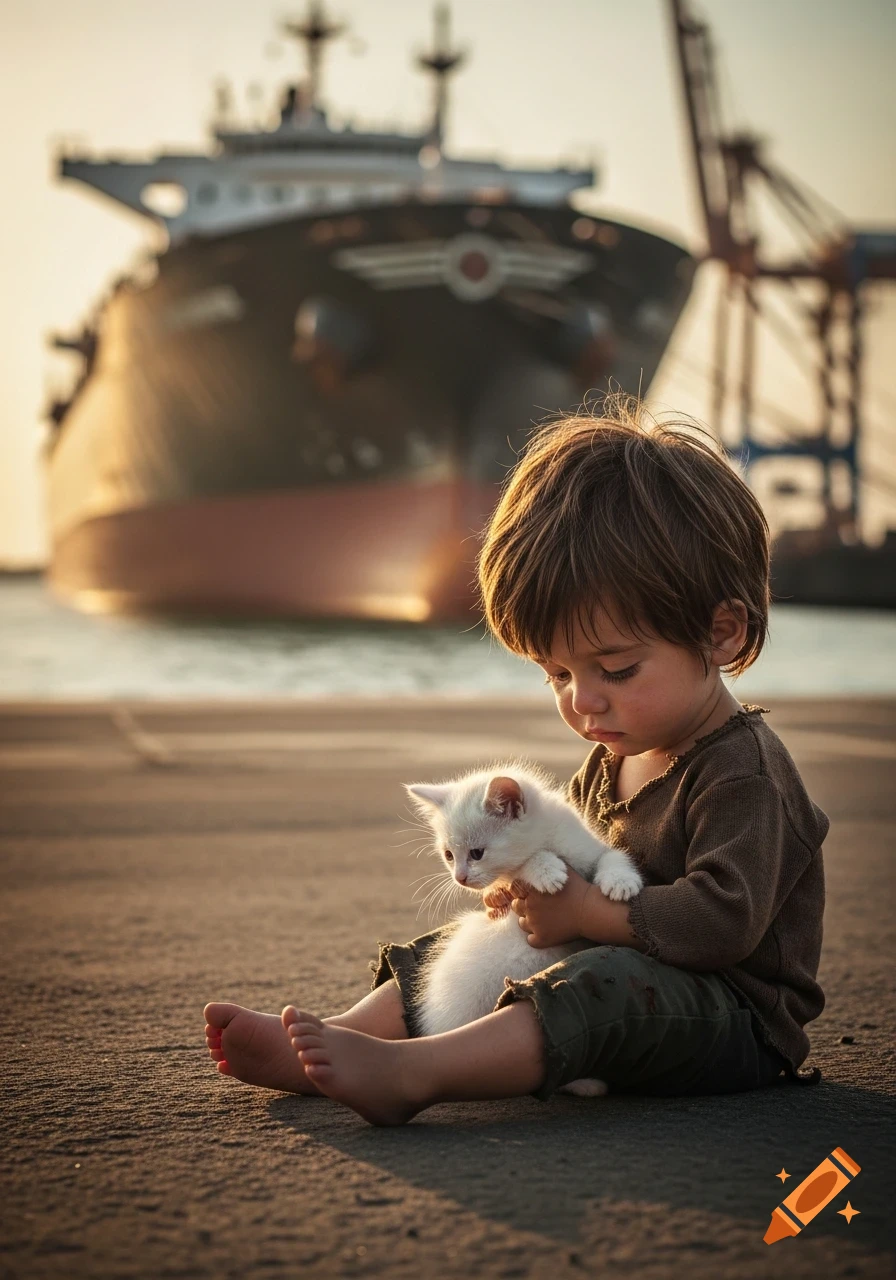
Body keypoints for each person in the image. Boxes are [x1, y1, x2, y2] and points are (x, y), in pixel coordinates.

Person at [204, 399, 827, 1126]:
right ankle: (346, 1035)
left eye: (616, 669)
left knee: (597, 985)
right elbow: (567, 868)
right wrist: (521, 899)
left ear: (720, 634)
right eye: (557, 674)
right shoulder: (612, 759)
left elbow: (723, 923)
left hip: (730, 1018)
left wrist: (585, 911)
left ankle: (416, 1073)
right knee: (461, 945)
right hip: (633, 973)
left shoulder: (742, 774)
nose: (582, 703)